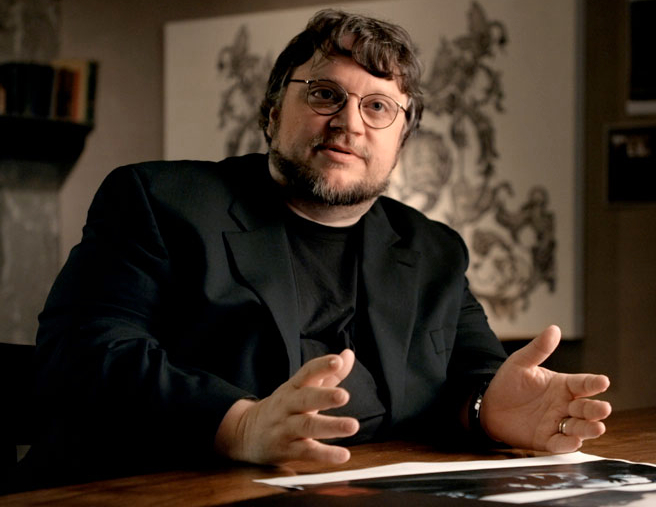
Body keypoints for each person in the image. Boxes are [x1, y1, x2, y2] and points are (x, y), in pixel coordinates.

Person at [14, 8, 611, 491]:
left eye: (378, 106)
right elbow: (80, 352)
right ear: (274, 110)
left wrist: (489, 409)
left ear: (402, 139)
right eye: (325, 94)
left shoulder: (432, 248)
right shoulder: (159, 201)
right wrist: (238, 425)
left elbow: (474, 374)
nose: (349, 122)